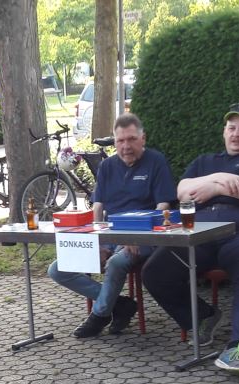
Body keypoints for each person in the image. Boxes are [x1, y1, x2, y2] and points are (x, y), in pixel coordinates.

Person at [141, 102, 239, 378]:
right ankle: (203, 316)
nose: (236, 134)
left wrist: (216, 189)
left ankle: (238, 347)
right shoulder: (205, 162)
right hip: (202, 233)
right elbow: (183, 191)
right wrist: (220, 178)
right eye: (232, 128)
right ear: (224, 131)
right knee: (155, 272)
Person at [48, 113, 175, 338]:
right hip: (109, 233)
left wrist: (136, 237)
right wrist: (97, 242)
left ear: (143, 138)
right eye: (120, 141)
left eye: (131, 139)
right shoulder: (107, 166)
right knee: (58, 269)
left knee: (116, 262)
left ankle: (99, 315)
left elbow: (162, 206)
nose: (126, 146)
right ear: (115, 142)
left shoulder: (156, 161)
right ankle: (119, 304)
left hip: (144, 236)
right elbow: (98, 207)